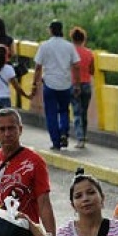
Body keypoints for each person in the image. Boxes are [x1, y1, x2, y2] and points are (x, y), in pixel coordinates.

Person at [0, 108, 57, 235]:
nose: (7, 133)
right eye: (2, 129)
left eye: (11, 128)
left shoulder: (35, 162)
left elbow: (44, 204)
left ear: (20, 129)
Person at [31, 20, 81, 151]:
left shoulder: (44, 46)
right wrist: (77, 85)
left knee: (51, 114)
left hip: (49, 84)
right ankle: (64, 132)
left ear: (51, 30)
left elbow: (38, 67)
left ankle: (56, 142)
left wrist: (34, 84)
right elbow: (76, 66)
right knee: (64, 110)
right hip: (65, 84)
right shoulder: (69, 46)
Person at [69, 26, 95, 148]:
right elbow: (92, 70)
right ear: (84, 39)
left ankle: (80, 139)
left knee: (77, 112)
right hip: (87, 85)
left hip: (74, 85)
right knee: (84, 112)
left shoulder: (70, 53)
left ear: (72, 39)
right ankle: (84, 135)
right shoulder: (89, 53)